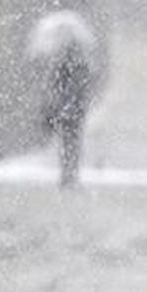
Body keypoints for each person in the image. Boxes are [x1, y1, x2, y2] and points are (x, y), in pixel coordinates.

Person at [43, 41, 93, 187]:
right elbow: (86, 88)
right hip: (76, 111)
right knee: (74, 143)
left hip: (64, 111)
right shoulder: (82, 67)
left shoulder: (60, 67)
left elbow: (53, 87)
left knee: (65, 142)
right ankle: (72, 173)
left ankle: (66, 174)